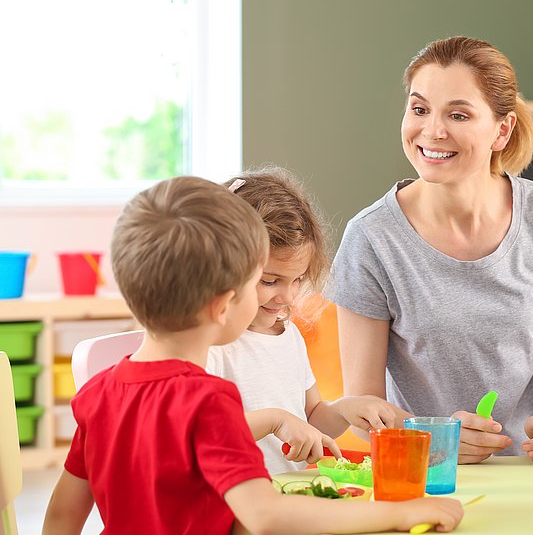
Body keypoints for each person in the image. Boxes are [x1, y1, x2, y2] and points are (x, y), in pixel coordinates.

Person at [42, 176, 463, 534]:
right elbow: (265, 516)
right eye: (256, 282)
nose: (285, 297)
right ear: (224, 304)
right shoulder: (208, 402)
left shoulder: (97, 395)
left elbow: (63, 515)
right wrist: (401, 512)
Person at [324, 36, 533, 464]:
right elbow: (362, 405)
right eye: (419, 109)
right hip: (428, 469)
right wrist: (437, 440)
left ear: (501, 131)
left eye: (459, 114)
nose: (432, 130)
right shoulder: (371, 238)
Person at [207, 167, 410, 475]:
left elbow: (312, 415)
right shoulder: (212, 346)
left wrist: (345, 408)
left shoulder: (287, 336)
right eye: (270, 281)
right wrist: (275, 420)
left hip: (290, 494)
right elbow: (201, 435)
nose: (287, 297)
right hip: (240, 503)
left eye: (298, 279)